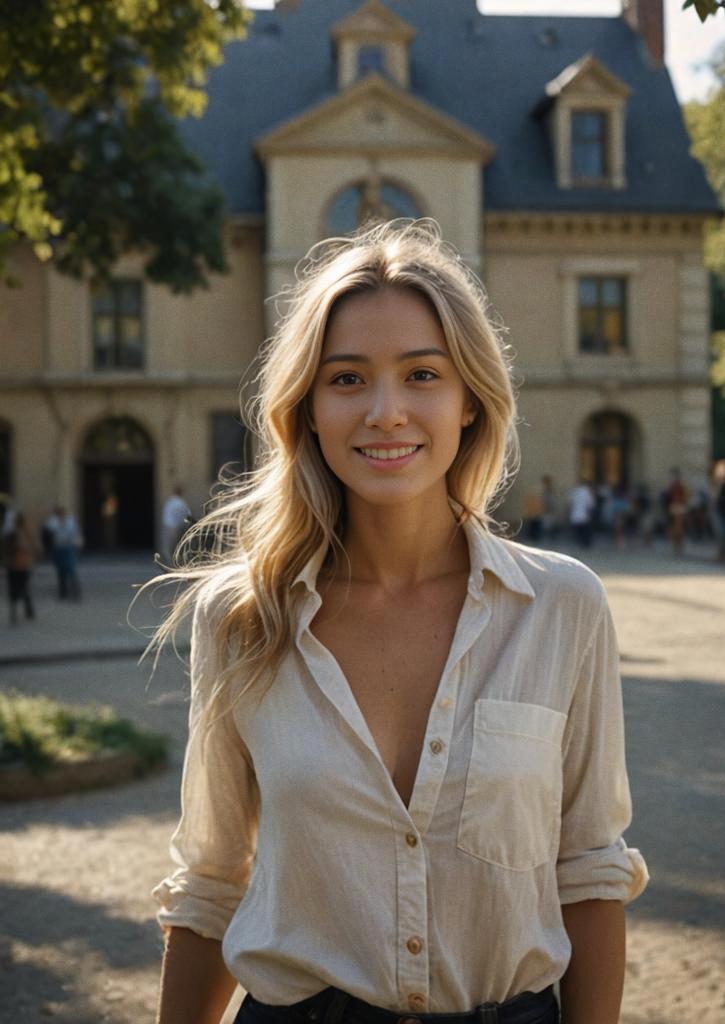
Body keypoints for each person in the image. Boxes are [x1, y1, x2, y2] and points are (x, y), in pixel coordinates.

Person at [150, 221, 648, 1024]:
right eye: (347, 379)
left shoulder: (564, 607)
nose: (386, 412)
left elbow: (589, 870)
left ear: (470, 404)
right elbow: (210, 883)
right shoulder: (241, 618)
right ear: (307, 409)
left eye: (422, 374)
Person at [5, 511, 38, 624]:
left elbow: (32, 549)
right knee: (17, 590)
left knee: (22, 589)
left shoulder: (24, 534)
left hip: (21, 566)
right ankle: (18, 612)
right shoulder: (12, 535)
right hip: (15, 566)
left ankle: (27, 610)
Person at [50, 506, 82, 600]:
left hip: (68, 548)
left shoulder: (70, 522)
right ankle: (63, 593)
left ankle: (75, 592)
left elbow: (75, 533)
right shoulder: (54, 522)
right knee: (61, 572)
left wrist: (77, 544)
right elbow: (49, 528)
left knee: (71, 570)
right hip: (58, 548)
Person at [161, 486, 192, 564]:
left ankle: (169, 561)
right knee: (176, 545)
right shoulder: (182, 503)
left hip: (169, 526)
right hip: (178, 526)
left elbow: (166, 514)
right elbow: (188, 514)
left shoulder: (170, 501)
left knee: (169, 545)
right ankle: (176, 561)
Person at [568, 478, 595, 548]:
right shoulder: (585, 491)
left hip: (578, 514)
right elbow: (590, 503)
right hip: (583, 514)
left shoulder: (575, 491)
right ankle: (585, 543)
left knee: (580, 530)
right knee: (584, 530)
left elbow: (570, 503)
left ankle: (582, 542)